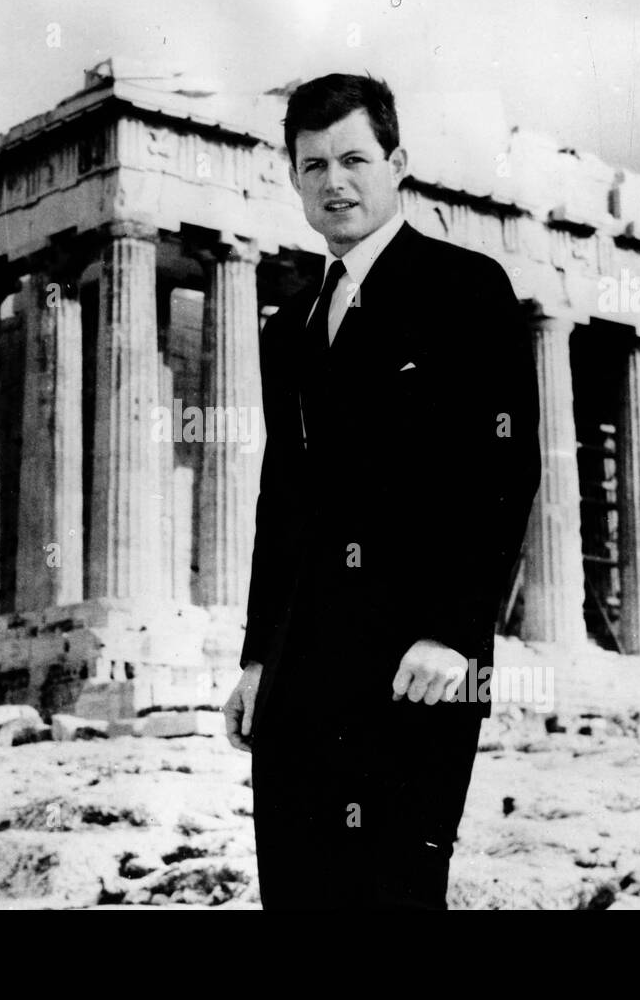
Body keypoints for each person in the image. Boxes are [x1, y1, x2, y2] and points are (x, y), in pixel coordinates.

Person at [222, 73, 541, 909]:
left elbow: (503, 471)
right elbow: (281, 499)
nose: (335, 181)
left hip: (416, 663)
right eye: (314, 164)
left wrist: (454, 631)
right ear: (292, 179)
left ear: (397, 163)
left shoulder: (466, 289)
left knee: (392, 892)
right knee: (296, 894)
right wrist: (258, 657)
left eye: (355, 158)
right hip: (300, 672)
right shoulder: (290, 324)